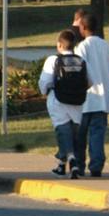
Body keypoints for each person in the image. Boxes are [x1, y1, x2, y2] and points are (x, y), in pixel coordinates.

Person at [74, 11, 109, 177]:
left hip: (86, 100)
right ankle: (96, 165)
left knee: (80, 135)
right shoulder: (106, 46)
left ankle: (79, 164)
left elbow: (79, 71)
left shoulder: (82, 47)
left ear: (83, 28)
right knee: (97, 134)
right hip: (103, 100)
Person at [38, 29, 86, 178]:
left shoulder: (53, 60)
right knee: (73, 133)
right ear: (74, 45)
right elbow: (89, 81)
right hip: (77, 101)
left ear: (59, 45)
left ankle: (72, 160)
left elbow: (44, 82)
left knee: (62, 131)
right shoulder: (81, 60)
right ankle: (61, 165)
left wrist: (45, 92)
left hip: (58, 99)